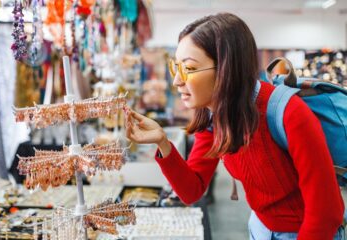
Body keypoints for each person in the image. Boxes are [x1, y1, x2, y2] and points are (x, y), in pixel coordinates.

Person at [125, 12, 344, 240]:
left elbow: (326, 213)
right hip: (259, 228)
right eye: (176, 67)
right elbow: (192, 190)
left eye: (188, 69)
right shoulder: (212, 117)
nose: (176, 81)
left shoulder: (288, 113)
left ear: (225, 70)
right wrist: (162, 141)